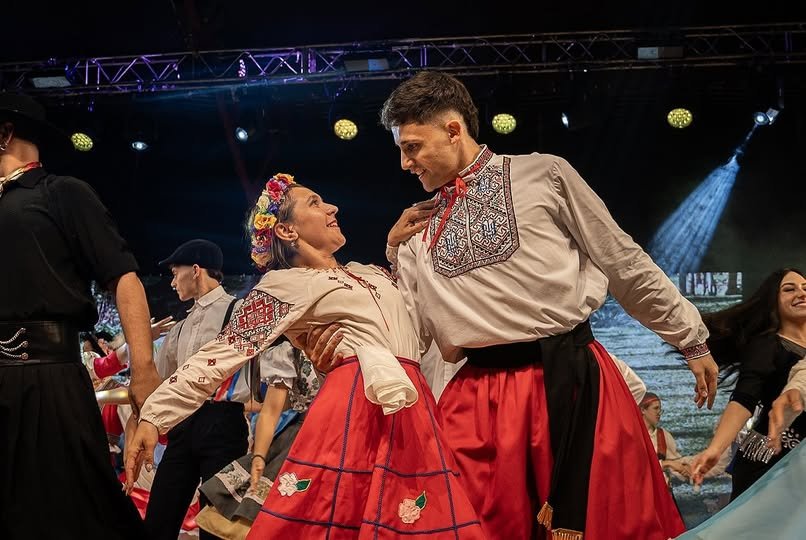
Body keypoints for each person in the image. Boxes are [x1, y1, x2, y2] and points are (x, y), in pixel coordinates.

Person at [314, 69, 720, 540]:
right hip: (476, 397)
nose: (405, 164)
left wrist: (689, 337)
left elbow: (620, 258)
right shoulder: (415, 232)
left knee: (602, 522)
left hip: (569, 377)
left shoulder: (544, 174)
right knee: (468, 525)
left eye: (413, 147)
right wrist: (346, 351)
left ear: (453, 130)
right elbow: (410, 332)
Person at [125, 173, 485, 539]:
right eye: (315, 203)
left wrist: (394, 247)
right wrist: (154, 415)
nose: (332, 208)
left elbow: (417, 328)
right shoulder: (287, 284)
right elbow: (224, 352)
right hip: (356, 411)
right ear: (286, 231)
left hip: (410, 404)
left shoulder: (369, 273)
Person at [0, 92, 159, 539]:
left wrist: (143, 369)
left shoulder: (61, 192)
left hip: (48, 377)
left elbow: (123, 277)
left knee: (73, 510)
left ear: (5, 133)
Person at [143, 238, 257, 540]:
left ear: (195, 270)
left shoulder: (240, 311)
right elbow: (159, 380)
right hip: (182, 424)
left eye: (174, 273)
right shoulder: (179, 327)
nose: (172, 282)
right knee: (158, 519)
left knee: (215, 527)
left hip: (224, 422)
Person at [691, 268, 806, 499]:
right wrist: (716, 448)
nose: (801, 293)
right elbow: (744, 398)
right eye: (789, 289)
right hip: (773, 461)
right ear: (773, 300)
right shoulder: (767, 345)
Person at [194, 340, 321, 540]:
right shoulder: (288, 351)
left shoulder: (356, 339)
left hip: (348, 436)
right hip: (303, 440)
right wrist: (259, 456)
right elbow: (270, 411)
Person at [640, 392, 690, 483]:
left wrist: (686, 470)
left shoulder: (662, 435)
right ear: (643, 410)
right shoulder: (633, 436)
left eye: (660, 409)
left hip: (663, 488)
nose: (659, 413)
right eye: (655, 408)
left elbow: (676, 462)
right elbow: (635, 467)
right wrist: (666, 464)